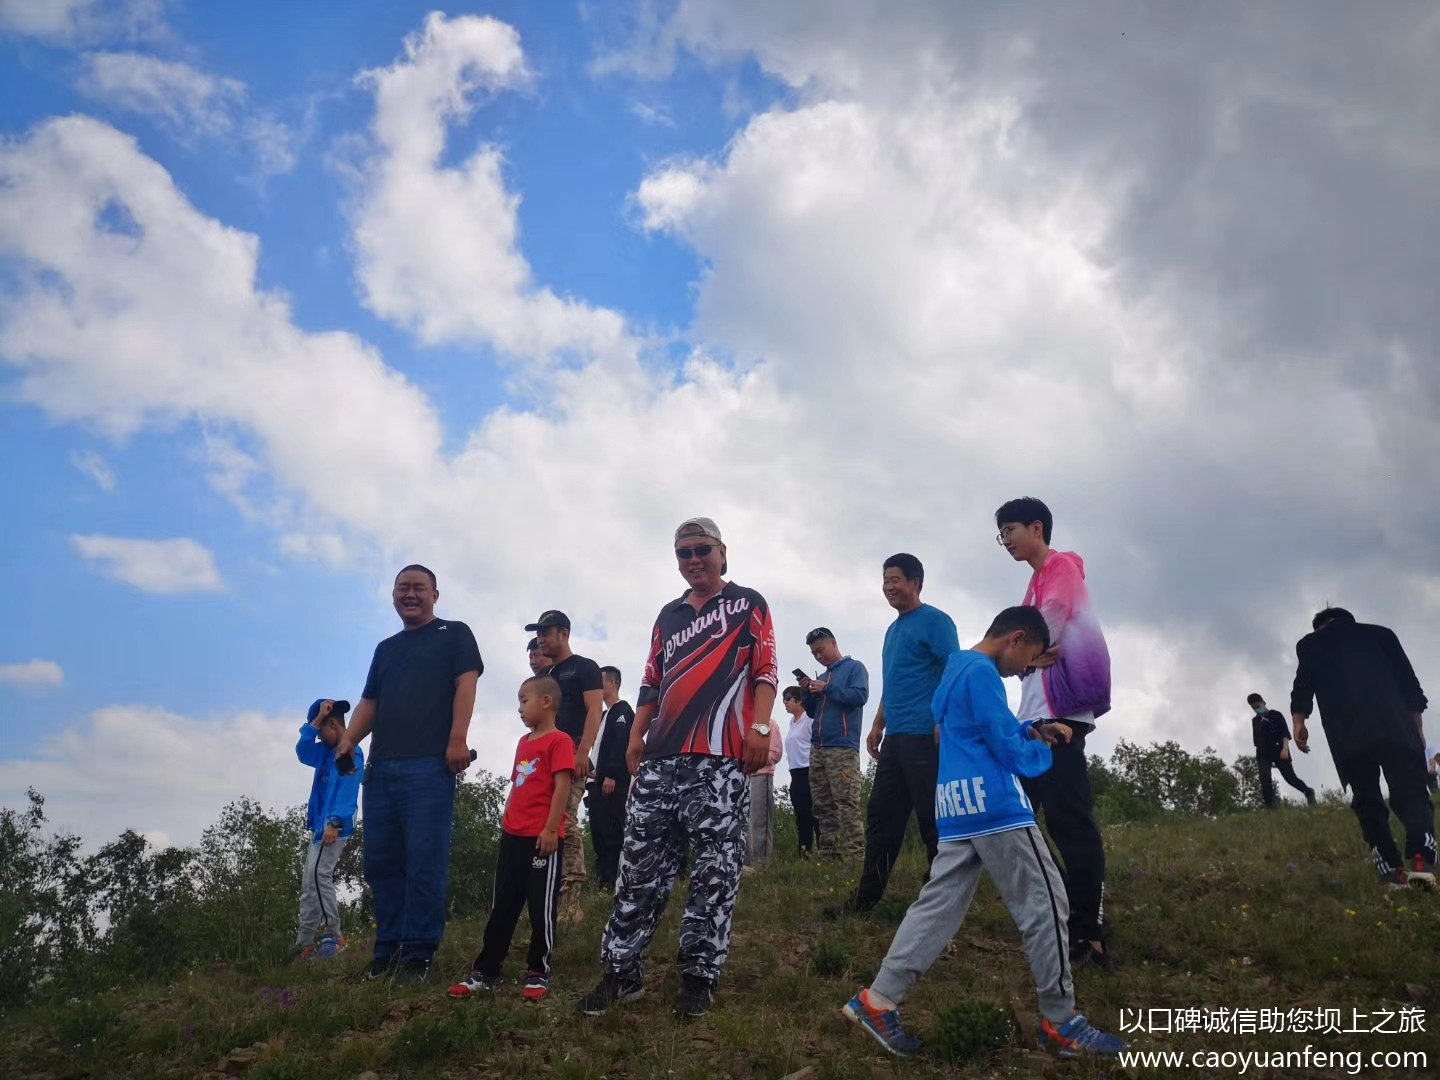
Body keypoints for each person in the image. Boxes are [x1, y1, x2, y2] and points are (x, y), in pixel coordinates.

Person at [842, 606, 1127, 1059]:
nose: (1025, 670)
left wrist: (1030, 726)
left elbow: (973, 727)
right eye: (1030, 658)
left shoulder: (956, 668)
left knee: (935, 906)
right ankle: (1061, 1022)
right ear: (1016, 638)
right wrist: (1039, 751)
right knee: (1047, 900)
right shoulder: (984, 673)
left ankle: (878, 1000)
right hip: (996, 808)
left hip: (955, 804)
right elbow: (1000, 740)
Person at [579, 516, 778, 1019]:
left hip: (720, 757)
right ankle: (621, 972)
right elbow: (651, 680)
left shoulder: (748, 603)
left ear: (722, 552)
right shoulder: (667, 616)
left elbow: (765, 671)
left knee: (715, 868)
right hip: (661, 758)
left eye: (702, 550)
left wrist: (758, 729)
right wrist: (636, 734)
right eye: (684, 553)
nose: (693, 560)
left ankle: (698, 975)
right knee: (637, 869)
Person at [335, 564, 483, 985]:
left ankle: (418, 955)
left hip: (429, 766)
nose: (411, 594)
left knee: (424, 862)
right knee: (381, 863)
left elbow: (466, 684)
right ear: (394, 596)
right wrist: (348, 738)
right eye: (403, 588)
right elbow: (370, 701)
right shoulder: (386, 648)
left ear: (436, 594)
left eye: (420, 588)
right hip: (381, 770)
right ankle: (386, 953)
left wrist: (458, 738)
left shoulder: (455, 634)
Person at [996, 497, 1113, 970]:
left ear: (1037, 527)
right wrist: (1020, 656)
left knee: (1069, 825)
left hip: (1062, 716)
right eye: (1000, 533)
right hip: (1032, 718)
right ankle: (1064, 916)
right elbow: (1021, 646)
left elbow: (1051, 618)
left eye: (1010, 529)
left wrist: (1026, 649)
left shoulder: (1061, 565)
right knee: (1018, 822)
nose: (1005, 539)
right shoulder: (1032, 584)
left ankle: (1092, 935)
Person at [836, 555, 957, 917]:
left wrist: (945, 718)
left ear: (917, 582)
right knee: (881, 817)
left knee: (932, 821)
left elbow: (955, 669)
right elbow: (894, 682)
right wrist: (877, 723)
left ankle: (939, 901)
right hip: (896, 739)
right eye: (886, 579)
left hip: (927, 737)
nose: (889, 586)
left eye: (897, 579)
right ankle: (866, 899)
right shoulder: (893, 630)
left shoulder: (936, 621)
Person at [448, 675, 574, 1002]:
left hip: (541, 839)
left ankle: (538, 971)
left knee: (540, 909)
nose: (519, 707)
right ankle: (486, 970)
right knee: (502, 906)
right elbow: (519, 785)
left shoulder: (560, 741)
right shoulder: (523, 742)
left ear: (546, 702)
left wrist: (550, 829)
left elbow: (562, 786)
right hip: (512, 837)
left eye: (524, 700)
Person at [1290, 606, 1434, 890]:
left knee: (1367, 799)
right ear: (1349, 619)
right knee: (1411, 792)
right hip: (1395, 725)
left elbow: (1302, 684)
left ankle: (1392, 873)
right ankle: (1422, 862)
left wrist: (1299, 722)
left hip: (1348, 734)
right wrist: (1417, 729)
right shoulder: (1381, 634)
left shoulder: (1310, 644)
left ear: (1319, 626)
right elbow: (1409, 684)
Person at [526, 610, 604, 924]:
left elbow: (594, 710)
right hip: (543, 754)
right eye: (538, 633)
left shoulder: (584, 667)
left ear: (564, 634)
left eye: (547, 632)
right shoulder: (547, 678)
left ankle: (571, 902)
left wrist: (583, 751)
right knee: (541, 819)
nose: (541, 639)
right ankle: (545, 894)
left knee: (565, 820)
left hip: (571, 751)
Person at [293, 698, 362, 960]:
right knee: (310, 882)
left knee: (321, 876)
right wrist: (315, 722)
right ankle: (305, 941)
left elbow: (347, 790)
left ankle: (335, 934)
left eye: (321, 731)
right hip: (320, 827)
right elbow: (302, 750)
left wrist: (335, 822)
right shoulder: (324, 752)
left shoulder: (349, 752)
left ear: (333, 724)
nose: (318, 738)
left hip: (335, 827)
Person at [801, 628, 868, 862]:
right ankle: (829, 856)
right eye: (814, 653)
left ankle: (855, 856)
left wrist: (827, 689)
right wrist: (808, 693)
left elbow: (860, 697)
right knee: (821, 804)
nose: (819, 656)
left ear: (833, 643)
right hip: (817, 746)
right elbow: (812, 712)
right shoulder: (820, 678)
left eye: (821, 650)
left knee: (846, 802)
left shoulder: (855, 668)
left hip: (842, 746)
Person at [588, 666, 634, 890]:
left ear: (612, 684)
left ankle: (616, 883)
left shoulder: (622, 711)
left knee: (613, 834)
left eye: (600, 681)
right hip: (596, 782)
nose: (597, 685)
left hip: (611, 783)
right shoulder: (603, 715)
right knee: (598, 833)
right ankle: (603, 883)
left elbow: (621, 744)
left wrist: (612, 775)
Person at [1246, 693, 1316, 808]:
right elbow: (1257, 741)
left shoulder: (1275, 715)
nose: (1256, 709)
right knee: (1265, 779)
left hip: (1280, 750)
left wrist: (1285, 749)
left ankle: (1308, 791)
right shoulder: (1255, 721)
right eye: (1254, 708)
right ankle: (1271, 807)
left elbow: (1284, 733)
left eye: (1258, 706)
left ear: (1263, 703)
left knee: (1290, 778)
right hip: (1263, 754)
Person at [782, 687, 820, 857]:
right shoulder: (792, 723)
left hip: (809, 770)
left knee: (816, 814)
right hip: (795, 772)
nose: (785, 702)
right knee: (801, 815)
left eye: (788, 698)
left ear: (799, 700)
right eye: (784, 699)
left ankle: (824, 851)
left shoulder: (809, 720)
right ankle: (804, 852)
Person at [743, 714, 784, 871]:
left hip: (761, 774)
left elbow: (776, 753)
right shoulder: (744, 721)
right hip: (743, 776)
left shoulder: (769, 723)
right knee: (745, 821)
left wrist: (755, 759)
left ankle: (762, 864)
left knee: (761, 821)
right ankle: (746, 863)